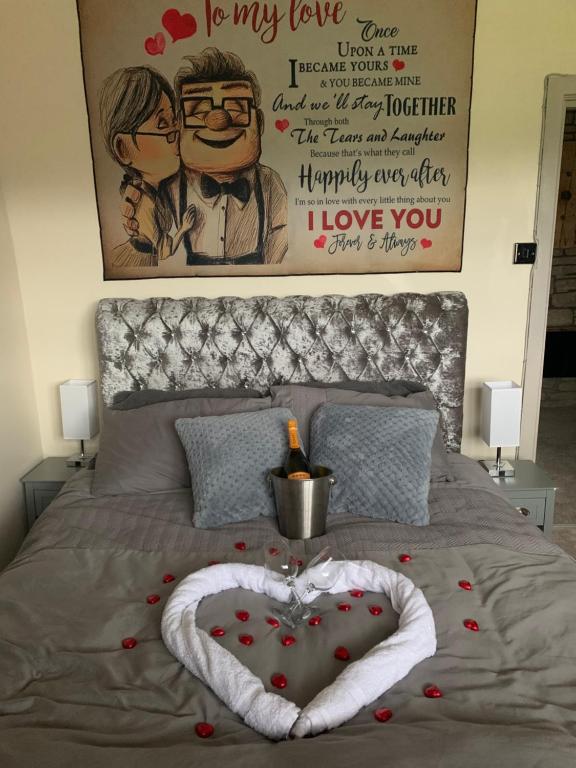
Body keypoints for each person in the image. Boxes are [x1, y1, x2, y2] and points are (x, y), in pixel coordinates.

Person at [122, 48, 287, 266]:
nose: (218, 120)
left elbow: (280, 241)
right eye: (198, 111)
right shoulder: (171, 187)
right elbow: (154, 239)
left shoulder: (270, 184)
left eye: (237, 108)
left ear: (260, 123)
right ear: (179, 125)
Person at [100, 66, 196, 266]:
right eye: (162, 124)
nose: (176, 134)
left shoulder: (149, 192)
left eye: (174, 121)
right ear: (124, 149)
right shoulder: (146, 204)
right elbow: (164, 251)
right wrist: (184, 228)